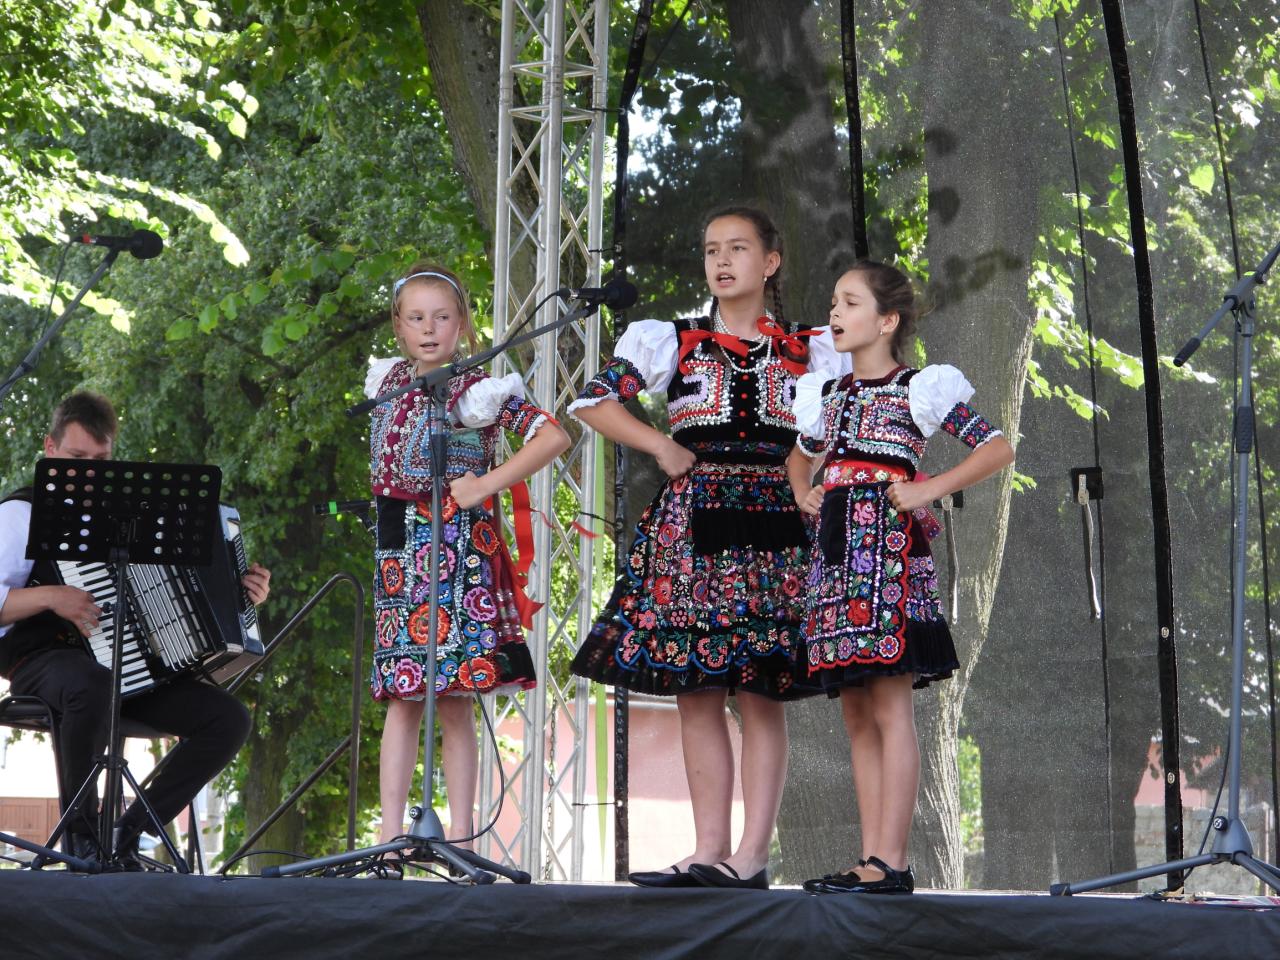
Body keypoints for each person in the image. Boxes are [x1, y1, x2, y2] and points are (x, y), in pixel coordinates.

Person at [569, 206, 848, 890]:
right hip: (694, 522)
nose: (722, 261)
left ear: (770, 262)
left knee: (760, 689)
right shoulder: (675, 339)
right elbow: (593, 402)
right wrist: (659, 444)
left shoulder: (812, 347)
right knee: (696, 689)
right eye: (711, 250)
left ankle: (750, 857)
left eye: (738, 248)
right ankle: (707, 849)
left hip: (775, 526)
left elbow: (852, 418)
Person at [787, 261, 1014, 894]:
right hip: (836, 556)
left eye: (850, 303)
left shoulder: (919, 388)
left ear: (887, 321)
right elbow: (799, 459)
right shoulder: (826, 395)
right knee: (856, 714)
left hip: (887, 554)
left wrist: (926, 489)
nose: (835, 313)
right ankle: (871, 858)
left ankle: (893, 861)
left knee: (890, 707)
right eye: (833, 302)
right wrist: (804, 490)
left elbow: (997, 447)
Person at [0, 392, 270, 867]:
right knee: (92, 684)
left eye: (101, 461)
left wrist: (242, 592)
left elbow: (180, 592)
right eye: (77, 459)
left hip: (131, 668)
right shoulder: (20, 514)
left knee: (228, 720)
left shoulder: (133, 517)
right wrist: (51, 596)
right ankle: (82, 838)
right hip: (42, 660)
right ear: (50, 448)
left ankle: (130, 831)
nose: (90, 473)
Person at [366, 262, 569, 846]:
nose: (429, 329)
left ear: (462, 325)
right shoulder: (385, 382)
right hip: (399, 556)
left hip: (457, 555)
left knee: (453, 698)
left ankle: (462, 838)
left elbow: (553, 436)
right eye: (416, 318)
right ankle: (390, 836)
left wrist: (485, 485)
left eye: (442, 317)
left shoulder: (477, 389)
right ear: (399, 326)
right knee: (401, 695)